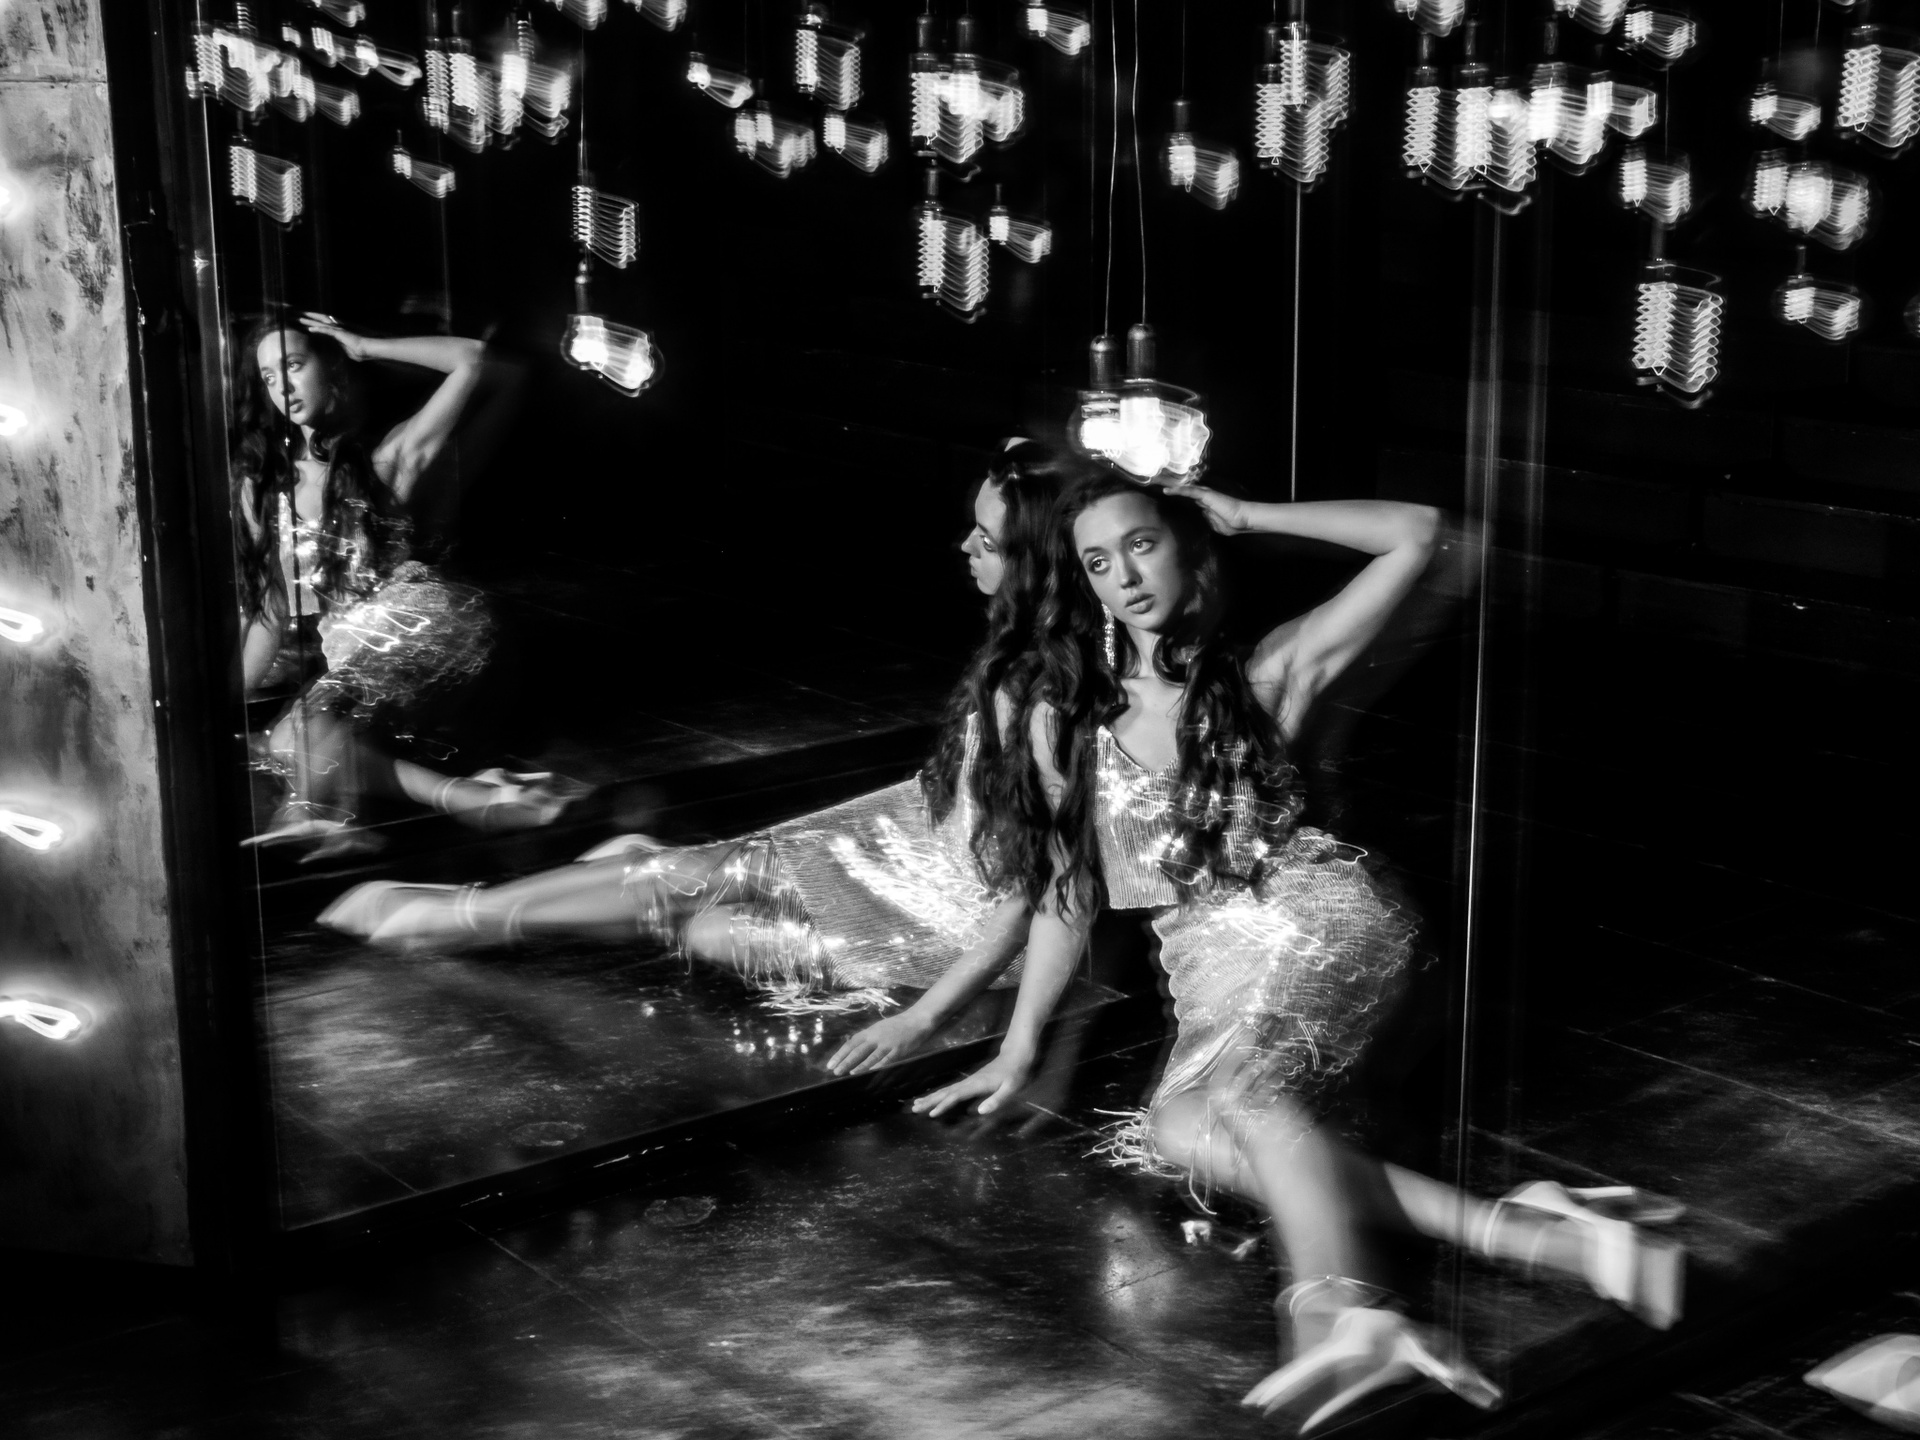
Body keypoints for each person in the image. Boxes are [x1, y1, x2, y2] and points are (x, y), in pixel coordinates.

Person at [917, 473, 1684, 1431]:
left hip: (1319, 919)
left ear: (1191, 548)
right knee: (1180, 1131)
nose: (1126, 577)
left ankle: (1337, 1310)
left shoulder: (1271, 672)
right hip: (1207, 967)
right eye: (1099, 562)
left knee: (1250, 1098)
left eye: (1144, 545)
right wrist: (1020, 1046)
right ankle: (1549, 1237)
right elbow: (1068, 898)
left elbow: (1423, 533)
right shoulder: (1064, 718)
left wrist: (1249, 515)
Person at [320, 442, 1086, 1068]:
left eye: (988, 540)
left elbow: (1038, 890)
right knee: (684, 877)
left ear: (1040, 561)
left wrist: (925, 1018)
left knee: (706, 927)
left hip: (958, 910)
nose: (965, 546)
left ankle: (502, 907)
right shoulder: (1028, 644)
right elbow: (1040, 456)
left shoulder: (1052, 692)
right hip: (909, 841)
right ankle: (463, 914)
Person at [235, 313, 570, 856]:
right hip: (351, 647)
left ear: (332, 368)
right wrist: (223, 701)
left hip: (421, 625)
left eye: (294, 366)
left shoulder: (388, 457)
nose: (283, 388)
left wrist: (365, 344)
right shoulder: (264, 487)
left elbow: (472, 360)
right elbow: (270, 614)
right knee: (284, 741)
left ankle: (310, 814)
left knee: (303, 731)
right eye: (269, 377)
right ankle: (467, 798)